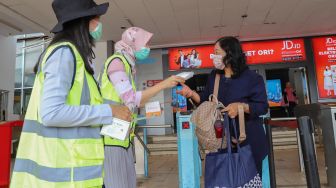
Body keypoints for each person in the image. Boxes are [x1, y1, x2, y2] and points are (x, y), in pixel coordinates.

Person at [10, 0, 132, 187]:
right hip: (65, 175)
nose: (99, 23)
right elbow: (51, 114)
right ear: (83, 21)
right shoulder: (64, 54)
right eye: (96, 17)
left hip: (74, 171)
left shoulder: (75, 57)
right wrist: (109, 111)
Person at [99, 27, 185, 188]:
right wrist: (164, 84)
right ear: (133, 43)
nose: (147, 48)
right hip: (111, 138)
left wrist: (155, 106)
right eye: (144, 44)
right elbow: (131, 98)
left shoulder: (127, 64)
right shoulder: (116, 62)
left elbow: (131, 102)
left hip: (122, 137)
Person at [177, 36, 269, 178]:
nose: (214, 56)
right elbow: (205, 101)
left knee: (248, 182)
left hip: (248, 142)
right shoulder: (215, 76)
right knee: (223, 181)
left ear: (230, 53)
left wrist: (241, 107)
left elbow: (262, 107)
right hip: (220, 142)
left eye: (217, 52)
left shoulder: (252, 78)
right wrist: (190, 93)